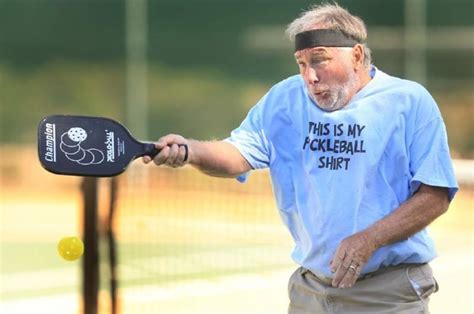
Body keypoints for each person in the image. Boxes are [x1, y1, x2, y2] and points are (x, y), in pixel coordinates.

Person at [143, 3, 458, 313]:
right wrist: (189, 151)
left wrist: (369, 239)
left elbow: (435, 195)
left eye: (319, 60)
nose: (310, 76)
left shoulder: (408, 101)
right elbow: (238, 153)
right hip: (311, 291)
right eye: (301, 63)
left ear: (358, 56)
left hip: (387, 294)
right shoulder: (284, 99)